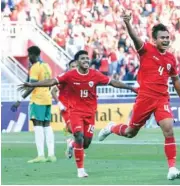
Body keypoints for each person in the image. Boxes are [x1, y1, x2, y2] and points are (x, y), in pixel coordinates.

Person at [98, 11, 180, 180]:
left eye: (168, 37)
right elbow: (134, 38)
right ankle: (111, 127)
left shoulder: (170, 59)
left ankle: (172, 168)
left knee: (169, 130)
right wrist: (127, 23)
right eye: (162, 38)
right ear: (154, 40)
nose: (166, 40)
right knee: (131, 132)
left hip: (162, 99)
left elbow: (175, 80)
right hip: (145, 98)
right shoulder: (146, 49)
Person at [18, 50, 137, 178]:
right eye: (83, 59)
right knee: (79, 135)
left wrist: (131, 88)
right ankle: (80, 170)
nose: (86, 60)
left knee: (86, 143)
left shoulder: (95, 74)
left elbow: (113, 82)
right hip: (75, 112)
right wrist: (32, 84)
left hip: (90, 113)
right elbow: (52, 82)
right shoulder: (70, 75)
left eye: (87, 58)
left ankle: (72, 144)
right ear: (77, 62)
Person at [11, 46, 56, 163]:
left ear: (33, 55)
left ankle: (41, 155)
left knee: (37, 125)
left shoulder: (35, 67)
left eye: (29, 55)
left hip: (38, 99)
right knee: (47, 125)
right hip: (47, 98)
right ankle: (51, 155)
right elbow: (48, 83)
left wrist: (19, 100)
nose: (28, 58)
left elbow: (32, 86)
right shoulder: (46, 66)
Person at [51, 59, 77, 135]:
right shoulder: (64, 78)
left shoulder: (80, 78)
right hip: (65, 107)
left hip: (76, 107)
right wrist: (60, 104)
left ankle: (71, 143)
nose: (74, 68)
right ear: (69, 68)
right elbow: (53, 91)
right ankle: (68, 128)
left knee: (82, 134)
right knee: (75, 131)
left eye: (76, 66)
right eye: (72, 66)